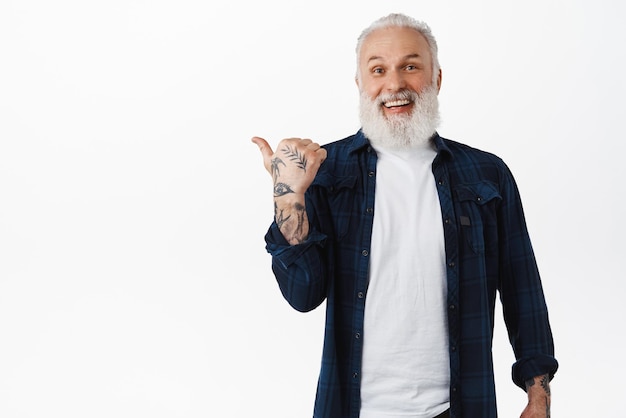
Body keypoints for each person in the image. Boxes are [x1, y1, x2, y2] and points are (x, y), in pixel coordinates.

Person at [252, 13, 557, 418]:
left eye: (410, 67)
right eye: (378, 70)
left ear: (437, 78)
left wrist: (538, 394)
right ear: (361, 84)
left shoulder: (486, 174)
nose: (394, 85)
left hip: (460, 406)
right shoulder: (324, 172)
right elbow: (303, 296)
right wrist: (288, 195)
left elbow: (522, 290)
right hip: (356, 407)